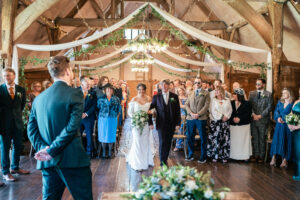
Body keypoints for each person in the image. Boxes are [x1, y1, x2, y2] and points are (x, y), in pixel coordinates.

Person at [27, 56, 92, 199]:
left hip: (47, 161)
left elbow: (31, 128)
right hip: (72, 160)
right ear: (68, 71)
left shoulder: (39, 98)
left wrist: (43, 148)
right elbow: (72, 127)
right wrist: (52, 150)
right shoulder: (75, 93)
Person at [0, 68, 29, 182]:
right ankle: (5, 172)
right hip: (4, 124)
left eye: (9, 75)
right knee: (5, 148)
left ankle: (15, 168)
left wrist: (16, 117)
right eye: (5, 76)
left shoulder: (21, 90)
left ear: (14, 76)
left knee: (18, 146)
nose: (7, 77)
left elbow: (21, 106)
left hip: (17, 123)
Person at [149, 79, 181, 166]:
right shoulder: (156, 97)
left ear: (168, 86)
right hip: (161, 123)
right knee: (162, 141)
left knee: (168, 142)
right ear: (160, 86)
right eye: (162, 85)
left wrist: (178, 123)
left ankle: (165, 158)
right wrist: (150, 122)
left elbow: (178, 111)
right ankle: (162, 161)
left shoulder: (174, 96)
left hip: (171, 123)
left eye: (166, 85)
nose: (164, 86)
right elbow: (150, 109)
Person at [126, 83, 154, 171]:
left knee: (144, 142)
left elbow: (152, 109)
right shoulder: (134, 99)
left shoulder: (149, 98)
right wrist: (137, 118)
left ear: (145, 90)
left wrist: (151, 112)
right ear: (137, 90)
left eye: (143, 89)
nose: (141, 91)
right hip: (136, 124)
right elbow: (130, 113)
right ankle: (137, 163)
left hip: (145, 124)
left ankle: (144, 162)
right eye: (139, 90)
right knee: (137, 141)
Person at [185, 77, 210, 163]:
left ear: (201, 83)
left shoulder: (206, 93)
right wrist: (191, 113)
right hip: (190, 118)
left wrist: (198, 114)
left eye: (198, 83)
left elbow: (206, 106)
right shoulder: (191, 93)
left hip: (201, 118)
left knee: (203, 137)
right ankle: (190, 154)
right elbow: (186, 104)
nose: (197, 84)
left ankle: (203, 156)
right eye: (195, 83)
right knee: (190, 137)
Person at [249, 78, 272, 163]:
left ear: (263, 84)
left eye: (259, 84)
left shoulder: (268, 94)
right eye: (256, 84)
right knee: (255, 137)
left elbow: (269, 107)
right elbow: (249, 105)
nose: (257, 85)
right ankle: (255, 155)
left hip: (263, 119)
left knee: (262, 138)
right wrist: (253, 114)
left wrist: (260, 115)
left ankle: (261, 156)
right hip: (253, 119)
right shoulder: (252, 94)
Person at [270, 88, 294, 168]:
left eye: (285, 93)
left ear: (289, 94)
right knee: (276, 141)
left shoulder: (292, 104)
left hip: (287, 126)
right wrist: (278, 118)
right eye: (282, 93)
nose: (283, 95)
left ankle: (285, 160)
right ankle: (273, 158)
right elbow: (276, 111)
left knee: (286, 141)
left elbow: (293, 115)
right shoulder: (280, 102)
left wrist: (283, 118)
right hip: (279, 125)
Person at [207, 86, 232, 163]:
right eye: (215, 91)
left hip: (225, 123)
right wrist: (221, 116)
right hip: (216, 123)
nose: (216, 92)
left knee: (224, 139)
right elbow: (212, 110)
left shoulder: (227, 100)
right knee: (216, 139)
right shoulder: (213, 100)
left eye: (218, 90)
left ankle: (224, 156)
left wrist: (226, 117)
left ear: (221, 91)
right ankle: (215, 155)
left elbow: (230, 110)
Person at [97, 83, 120, 158]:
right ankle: (103, 151)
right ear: (105, 90)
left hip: (112, 119)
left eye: (110, 89)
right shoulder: (100, 99)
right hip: (103, 119)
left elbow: (118, 109)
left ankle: (110, 152)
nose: (109, 91)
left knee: (111, 135)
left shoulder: (116, 99)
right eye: (107, 89)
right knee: (103, 135)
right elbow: (97, 108)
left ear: (112, 91)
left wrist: (115, 114)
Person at [229, 88, 252, 161]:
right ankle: (234, 156)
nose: (233, 96)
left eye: (235, 94)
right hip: (233, 125)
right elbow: (229, 112)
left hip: (244, 125)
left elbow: (248, 114)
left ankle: (244, 157)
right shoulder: (231, 103)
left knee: (243, 142)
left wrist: (240, 119)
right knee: (234, 142)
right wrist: (233, 118)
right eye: (233, 94)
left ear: (239, 95)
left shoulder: (247, 103)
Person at [79, 76, 97, 158]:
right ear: (82, 85)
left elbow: (94, 105)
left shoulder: (93, 92)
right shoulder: (76, 92)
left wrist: (86, 114)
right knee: (78, 135)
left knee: (89, 135)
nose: (89, 86)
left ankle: (89, 153)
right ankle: (81, 152)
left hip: (89, 117)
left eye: (89, 84)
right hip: (78, 117)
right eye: (87, 85)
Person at [289, 88, 300, 181]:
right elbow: (291, 113)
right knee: (297, 152)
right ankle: (297, 173)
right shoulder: (296, 101)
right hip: (295, 132)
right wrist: (291, 124)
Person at [174, 87, 188, 152]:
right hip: (182, 114)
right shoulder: (178, 97)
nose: (180, 91)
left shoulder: (187, 96)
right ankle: (178, 145)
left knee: (187, 129)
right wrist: (188, 106)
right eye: (179, 91)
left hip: (188, 114)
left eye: (181, 90)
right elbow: (181, 106)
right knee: (181, 129)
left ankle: (185, 145)